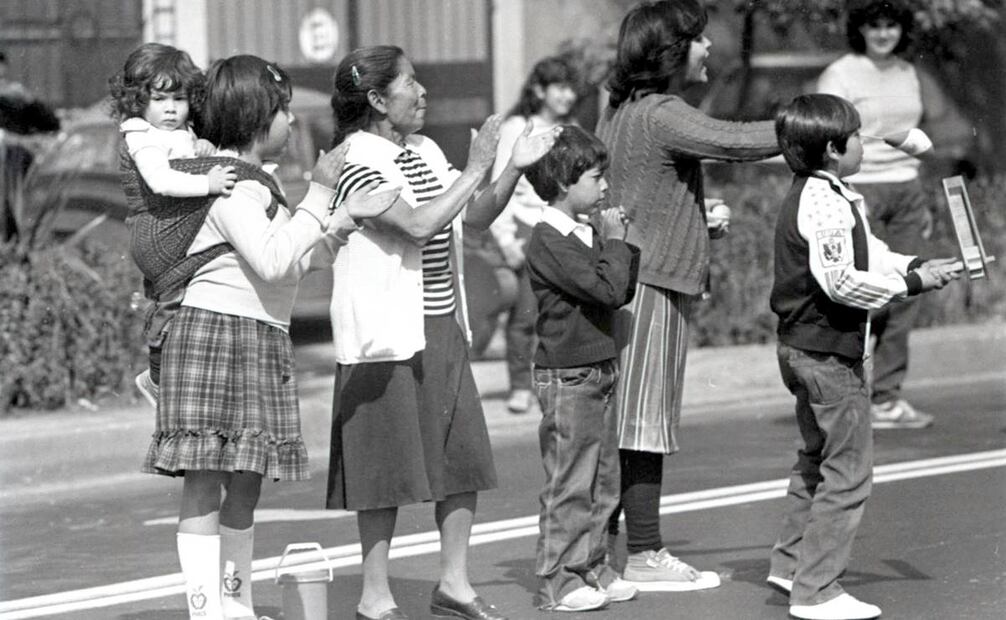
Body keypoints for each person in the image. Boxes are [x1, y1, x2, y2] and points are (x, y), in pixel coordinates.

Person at [140, 54, 398, 620]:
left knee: (247, 479)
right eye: (283, 110)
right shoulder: (230, 184)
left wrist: (342, 221)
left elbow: (297, 263)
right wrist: (318, 195)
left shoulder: (264, 184)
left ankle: (236, 602)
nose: (291, 121)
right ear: (256, 117)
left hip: (258, 335)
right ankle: (207, 611)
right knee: (206, 477)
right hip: (213, 333)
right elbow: (274, 259)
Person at [323, 45, 557, 620]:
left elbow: (472, 215)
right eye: (409, 82)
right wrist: (477, 166)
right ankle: (374, 596)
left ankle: (454, 582)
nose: (423, 91)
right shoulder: (356, 158)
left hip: (444, 324)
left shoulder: (423, 150)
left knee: (460, 458)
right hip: (387, 332)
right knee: (383, 465)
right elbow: (419, 225)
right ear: (377, 100)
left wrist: (512, 167)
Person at [594, 0, 780, 592]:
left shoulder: (622, 111)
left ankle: (601, 554)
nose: (708, 48)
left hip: (631, 279)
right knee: (643, 426)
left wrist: (699, 219)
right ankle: (644, 554)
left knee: (626, 423)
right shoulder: (662, 112)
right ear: (670, 53)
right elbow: (736, 141)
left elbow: (642, 197)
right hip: (651, 286)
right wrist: (815, 125)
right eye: (697, 40)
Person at [768, 93, 961, 620]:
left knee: (817, 459)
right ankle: (816, 590)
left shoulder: (824, 191)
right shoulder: (827, 203)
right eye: (855, 137)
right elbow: (842, 282)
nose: (863, 145)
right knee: (849, 471)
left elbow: (869, 252)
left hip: (803, 348)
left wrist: (918, 265)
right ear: (834, 149)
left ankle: (791, 565)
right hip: (827, 354)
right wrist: (911, 285)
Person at [522, 125, 640, 612]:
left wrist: (618, 244)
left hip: (598, 367)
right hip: (569, 375)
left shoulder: (584, 233)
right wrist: (615, 243)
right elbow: (607, 290)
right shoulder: (549, 239)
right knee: (570, 482)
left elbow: (622, 289)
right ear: (563, 182)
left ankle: (593, 566)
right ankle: (558, 580)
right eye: (596, 177)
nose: (605, 185)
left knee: (603, 481)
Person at [816, 0, 944, 429]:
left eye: (891, 25)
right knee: (866, 297)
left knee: (908, 290)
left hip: (907, 190)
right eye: (875, 26)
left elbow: (917, 142)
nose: (884, 34)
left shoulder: (909, 72)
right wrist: (844, 193)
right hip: (860, 190)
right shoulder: (840, 73)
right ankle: (846, 396)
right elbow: (828, 141)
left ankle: (887, 399)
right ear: (861, 30)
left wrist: (922, 198)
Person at [108, 42, 238, 408]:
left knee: (184, 300)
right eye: (159, 99)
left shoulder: (180, 131)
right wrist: (208, 183)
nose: (170, 109)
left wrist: (203, 148)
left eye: (179, 99)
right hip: (156, 232)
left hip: (171, 227)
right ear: (138, 100)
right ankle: (156, 376)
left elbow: (188, 156)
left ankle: (179, 373)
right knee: (171, 302)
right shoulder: (141, 136)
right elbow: (161, 181)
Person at [487, 56, 580, 414]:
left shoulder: (570, 128)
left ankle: (555, 383)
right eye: (560, 88)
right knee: (526, 315)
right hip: (528, 230)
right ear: (540, 90)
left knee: (561, 315)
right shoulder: (517, 127)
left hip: (564, 230)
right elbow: (501, 184)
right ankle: (520, 386)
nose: (567, 96)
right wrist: (506, 240)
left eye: (571, 89)